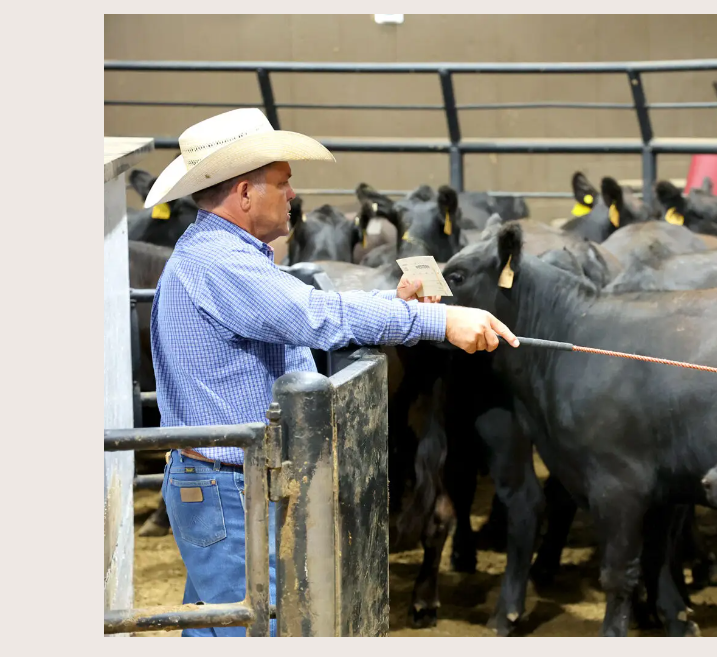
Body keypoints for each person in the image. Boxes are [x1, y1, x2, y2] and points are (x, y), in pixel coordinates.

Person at [144, 108, 519, 636]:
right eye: (282, 182)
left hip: (228, 483)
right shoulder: (220, 262)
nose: (292, 194)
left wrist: (394, 304)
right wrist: (439, 320)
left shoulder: (221, 254)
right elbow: (316, 316)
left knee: (222, 622)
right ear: (245, 193)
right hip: (230, 487)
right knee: (252, 627)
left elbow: (304, 308)